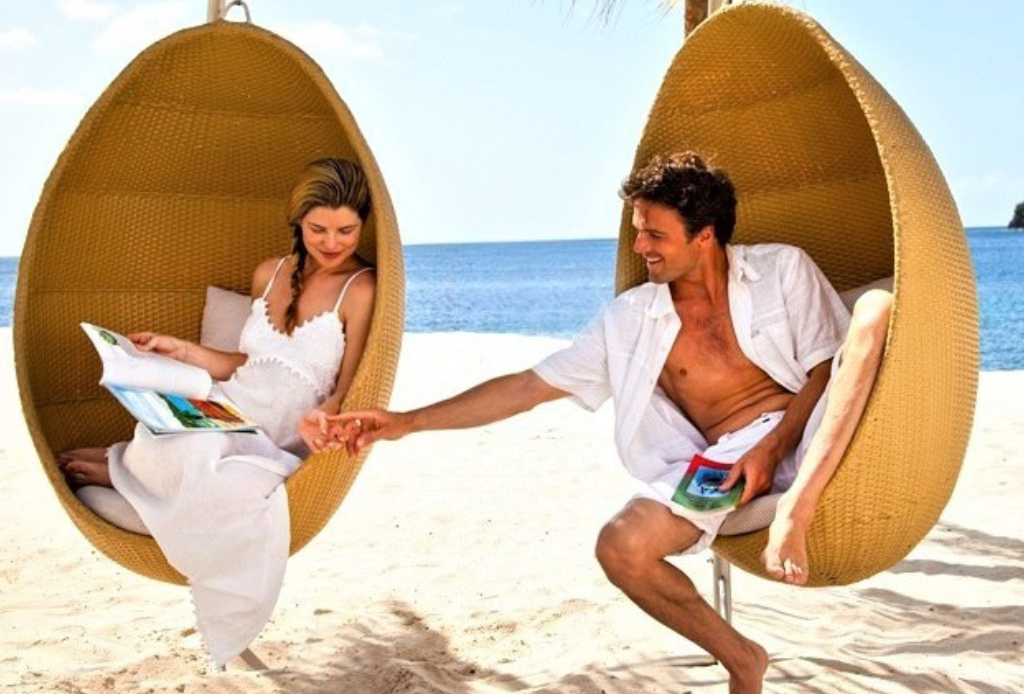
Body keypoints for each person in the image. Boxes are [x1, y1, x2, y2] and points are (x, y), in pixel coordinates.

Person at [313, 152, 891, 694]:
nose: (639, 246)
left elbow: (821, 375)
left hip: (812, 426)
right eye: (638, 229)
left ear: (706, 235)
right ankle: (742, 657)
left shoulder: (781, 270)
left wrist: (771, 452)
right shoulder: (630, 321)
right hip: (723, 464)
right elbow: (526, 387)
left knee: (876, 308)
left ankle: (798, 507)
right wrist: (406, 421)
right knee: (622, 548)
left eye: (655, 234)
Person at [58, 157, 376, 668]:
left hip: (276, 434)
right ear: (298, 223)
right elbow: (244, 363)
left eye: (346, 230)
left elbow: (344, 385)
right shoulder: (269, 273)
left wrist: (329, 418)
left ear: (363, 224)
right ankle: (126, 466)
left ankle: (120, 469)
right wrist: (178, 349)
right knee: (171, 419)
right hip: (229, 404)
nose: (332, 242)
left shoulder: (359, 288)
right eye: (318, 228)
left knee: (206, 451)